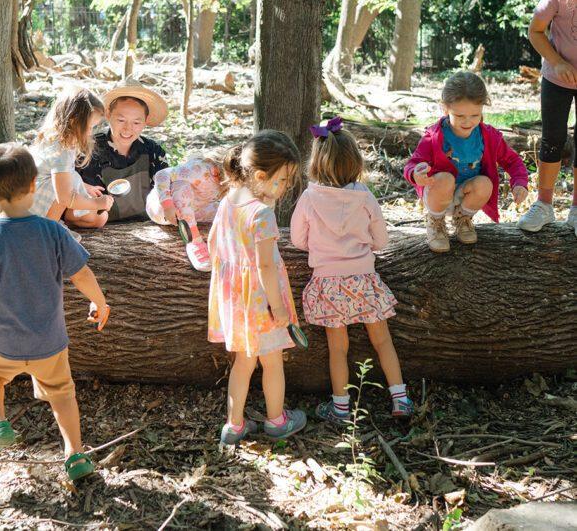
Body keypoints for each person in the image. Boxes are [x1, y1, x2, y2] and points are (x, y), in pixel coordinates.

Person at [0, 143, 110, 481]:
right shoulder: (53, 230)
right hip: (50, 341)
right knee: (62, 395)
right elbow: (81, 274)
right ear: (34, 185)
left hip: (3, 342)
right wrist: (99, 303)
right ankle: (74, 453)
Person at [291, 117, 412, 422]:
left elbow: (296, 239)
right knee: (382, 340)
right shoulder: (365, 196)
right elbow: (381, 240)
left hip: (328, 282)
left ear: (316, 162)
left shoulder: (309, 197)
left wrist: (320, 247)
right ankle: (401, 399)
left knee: (338, 348)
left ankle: (341, 408)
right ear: (355, 162)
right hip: (363, 279)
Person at [208, 131, 307, 446]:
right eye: (284, 180)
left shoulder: (229, 200)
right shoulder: (262, 214)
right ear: (261, 176)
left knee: (243, 362)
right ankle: (277, 421)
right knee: (272, 361)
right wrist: (278, 309)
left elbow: (213, 243)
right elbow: (265, 266)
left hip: (234, 300)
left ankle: (233, 426)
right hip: (261, 302)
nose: (287, 187)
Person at [405, 72, 529, 252]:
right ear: (445, 108)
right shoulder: (434, 137)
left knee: (485, 184)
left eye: (474, 115)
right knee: (445, 179)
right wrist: (416, 174)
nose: (468, 122)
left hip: (466, 194)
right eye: (460, 115)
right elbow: (412, 163)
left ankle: (463, 219)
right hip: (437, 193)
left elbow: (512, 160)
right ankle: (436, 222)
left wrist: (519, 183)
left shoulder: (488, 137)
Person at [519, 0, 577, 234]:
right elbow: (535, 31)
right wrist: (558, 62)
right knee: (552, 137)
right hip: (557, 78)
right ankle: (544, 205)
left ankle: (576, 209)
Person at [78, 83, 169, 222]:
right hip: (100, 229)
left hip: (148, 226)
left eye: (136, 123)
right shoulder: (88, 150)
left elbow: (166, 191)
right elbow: (77, 205)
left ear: (146, 121)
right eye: (121, 120)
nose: (127, 129)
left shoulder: (154, 151)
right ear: (108, 115)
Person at [29, 88, 114, 235]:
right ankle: (48, 231)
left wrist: (83, 186)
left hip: (27, 199)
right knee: (97, 214)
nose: (89, 132)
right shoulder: (61, 149)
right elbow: (63, 197)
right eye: (89, 127)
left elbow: (62, 173)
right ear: (74, 120)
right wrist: (97, 203)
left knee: (99, 218)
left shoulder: (56, 138)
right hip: (33, 204)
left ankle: (53, 225)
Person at [146, 148, 226, 272]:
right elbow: (162, 174)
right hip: (162, 209)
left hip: (191, 210)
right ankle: (195, 241)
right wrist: (167, 206)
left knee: (223, 210)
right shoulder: (200, 170)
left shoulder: (227, 184)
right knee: (182, 186)